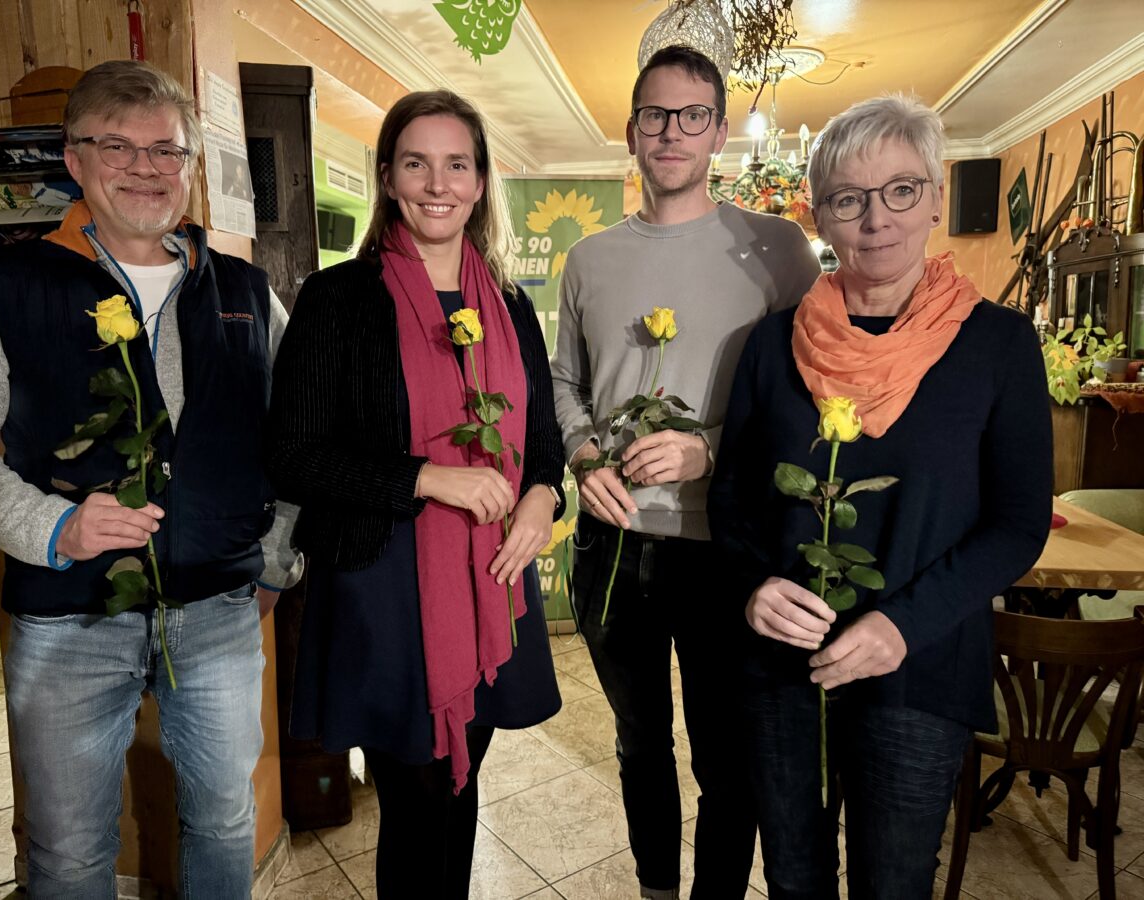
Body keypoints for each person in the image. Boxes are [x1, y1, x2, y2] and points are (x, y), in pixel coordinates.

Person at [0, 60, 302, 898]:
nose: (145, 167)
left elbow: (297, 446)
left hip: (219, 613)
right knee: (68, 851)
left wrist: (277, 566)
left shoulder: (245, 292)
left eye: (166, 151)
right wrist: (51, 528)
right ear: (74, 159)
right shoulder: (7, 284)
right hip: (66, 621)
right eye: (117, 146)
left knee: (223, 823)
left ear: (189, 165)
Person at [708, 94, 1053, 898]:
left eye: (901, 189)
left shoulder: (998, 346)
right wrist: (753, 585)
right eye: (848, 198)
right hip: (780, 670)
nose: (876, 219)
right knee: (794, 877)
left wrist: (905, 626)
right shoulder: (773, 342)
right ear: (820, 214)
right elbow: (731, 498)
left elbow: (1017, 524)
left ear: (936, 196)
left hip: (919, 665)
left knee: (893, 883)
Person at [263, 89, 564, 898]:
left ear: (480, 179)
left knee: (461, 791)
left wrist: (542, 499)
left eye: (457, 164)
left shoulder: (509, 302)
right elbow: (290, 456)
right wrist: (427, 477)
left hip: (493, 578)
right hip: (385, 582)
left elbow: (543, 448)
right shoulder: (338, 300)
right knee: (419, 792)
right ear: (389, 178)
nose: (439, 183)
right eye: (417, 163)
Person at [550, 45, 821, 899]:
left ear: (722, 131)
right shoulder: (589, 260)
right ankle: (657, 891)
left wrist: (709, 447)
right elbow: (563, 385)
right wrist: (583, 451)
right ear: (631, 130)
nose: (672, 132)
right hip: (615, 547)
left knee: (724, 752)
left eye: (692, 115)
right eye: (656, 116)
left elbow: (808, 398)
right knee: (638, 743)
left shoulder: (778, 250)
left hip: (726, 550)